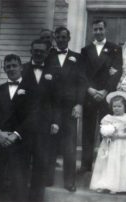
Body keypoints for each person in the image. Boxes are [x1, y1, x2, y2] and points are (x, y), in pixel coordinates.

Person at [19, 38, 61, 202]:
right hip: (23, 126)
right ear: (31, 51)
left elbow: (57, 100)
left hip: (44, 126)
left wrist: (56, 122)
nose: (38, 53)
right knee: (22, 164)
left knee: (40, 164)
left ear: (46, 53)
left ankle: (36, 200)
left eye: (41, 51)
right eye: (35, 51)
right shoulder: (22, 69)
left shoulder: (53, 71)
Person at [46, 26, 86, 192]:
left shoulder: (77, 57)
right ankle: (47, 178)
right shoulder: (48, 56)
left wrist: (79, 103)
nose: (61, 40)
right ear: (55, 39)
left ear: (69, 38)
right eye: (58, 37)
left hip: (69, 107)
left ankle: (69, 181)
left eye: (64, 37)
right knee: (50, 143)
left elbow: (82, 82)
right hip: (50, 106)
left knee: (69, 146)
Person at [80, 19, 123, 173]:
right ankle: (86, 164)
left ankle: (104, 165)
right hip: (90, 95)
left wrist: (105, 91)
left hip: (106, 95)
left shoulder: (115, 49)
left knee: (106, 129)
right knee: (88, 130)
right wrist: (90, 90)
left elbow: (117, 71)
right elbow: (82, 73)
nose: (98, 32)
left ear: (105, 29)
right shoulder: (85, 50)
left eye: (100, 29)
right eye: (95, 29)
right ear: (92, 31)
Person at [0, 54, 29, 202]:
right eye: (8, 66)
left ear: (21, 67)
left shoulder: (31, 90)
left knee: (19, 182)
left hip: (20, 142)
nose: (11, 69)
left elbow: (33, 116)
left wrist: (16, 134)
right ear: (4, 69)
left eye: (14, 65)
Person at [90, 91, 126, 194]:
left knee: (116, 164)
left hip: (120, 145)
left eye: (119, 106)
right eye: (114, 106)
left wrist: (117, 136)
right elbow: (102, 131)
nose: (117, 108)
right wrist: (106, 134)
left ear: (125, 107)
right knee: (105, 164)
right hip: (108, 144)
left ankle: (115, 185)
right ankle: (102, 183)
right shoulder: (107, 118)